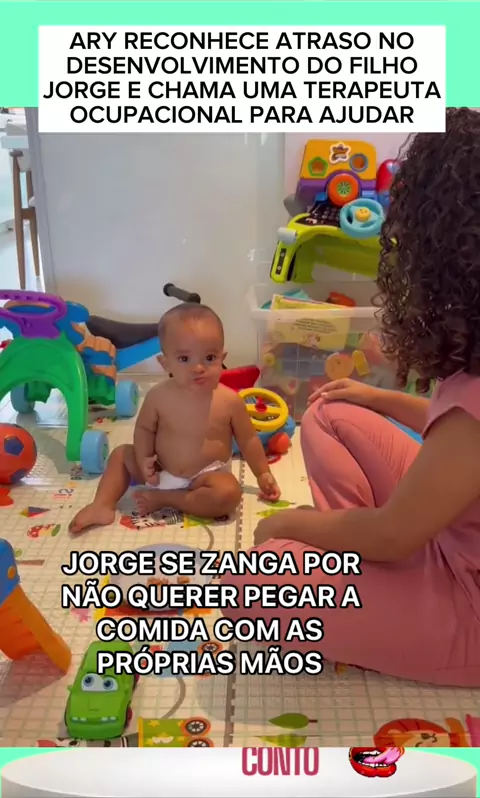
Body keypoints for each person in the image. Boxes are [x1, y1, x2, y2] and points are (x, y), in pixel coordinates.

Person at [221, 107, 480, 687]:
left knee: (250, 585)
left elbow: (396, 532)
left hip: (466, 604)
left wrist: (301, 525)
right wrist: (376, 398)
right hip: (441, 532)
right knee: (333, 411)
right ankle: (354, 555)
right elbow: (457, 438)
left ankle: (354, 561)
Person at [69, 303, 280, 533]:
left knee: (229, 493)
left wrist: (263, 474)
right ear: (165, 363)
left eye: (209, 357)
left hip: (206, 477)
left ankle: (169, 500)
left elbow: (249, 440)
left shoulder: (230, 401)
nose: (198, 367)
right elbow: (144, 430)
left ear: (222, 357)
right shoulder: (157, 396)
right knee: (120, 455)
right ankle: (102, 505)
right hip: (161, 471)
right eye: (184, 359)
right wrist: (144, 459)